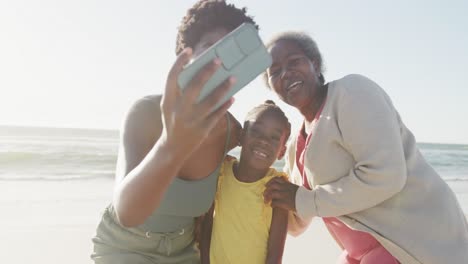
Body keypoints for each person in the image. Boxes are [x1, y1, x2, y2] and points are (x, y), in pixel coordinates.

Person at [262, 31, 468, 264]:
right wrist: (252, 186)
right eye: (275, 71)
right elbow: (296, 218)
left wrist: (303, 200)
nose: (286, 73)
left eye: (294, 62)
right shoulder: (295, 146)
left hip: (415, 245)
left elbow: (386, 175)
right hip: (362, 252)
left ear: (315, 64)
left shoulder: (352, 92)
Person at [91, 1, 259, 263]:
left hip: (183, 252)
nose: (218, 62)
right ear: (186, 56)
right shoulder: (145, 113)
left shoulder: (232, 131)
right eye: (209, 48)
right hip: (125, 245)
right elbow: (127, 213)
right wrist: (172, 145)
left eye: (228, 52)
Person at [199, 100, 290, 264]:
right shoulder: (221, 172)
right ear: (241, 136)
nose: (264, 141)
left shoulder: (277, 188)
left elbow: (275, 255)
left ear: (282, 151)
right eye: (256, 132)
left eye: (274, 137)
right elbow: (206, 225)